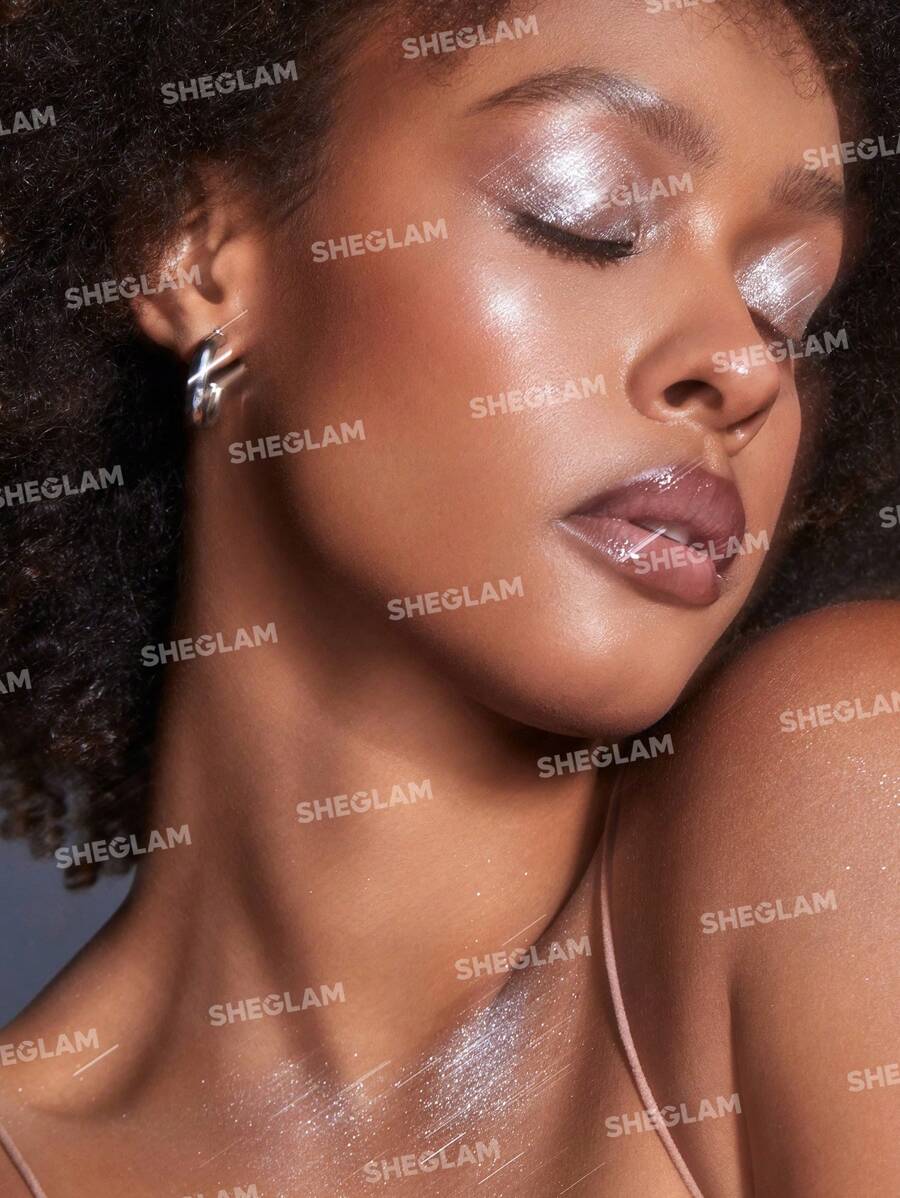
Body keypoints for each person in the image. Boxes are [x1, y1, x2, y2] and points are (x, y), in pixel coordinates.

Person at [0, 0, 897, 1194]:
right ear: (201, 255)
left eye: (787, 305)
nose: (746, 367)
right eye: (585, 218)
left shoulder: (842, 794)